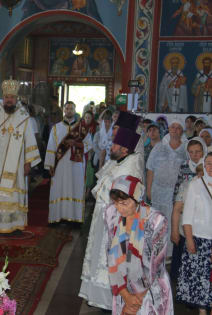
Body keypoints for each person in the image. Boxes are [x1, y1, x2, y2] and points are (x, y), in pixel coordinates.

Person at [79, 112, 144, 311]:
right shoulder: (119, 161)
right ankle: (103, 300)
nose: (111, 147)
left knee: (111, 261)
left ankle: (111, 302)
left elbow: (123, 199)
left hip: (116, 225)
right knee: (100, 258)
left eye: (115, 145)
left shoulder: (130, 167)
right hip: (103, 220)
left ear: (124, 149)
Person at [0, 78, 40, 234]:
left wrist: (28, 162)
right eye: (7, 97)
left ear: (16, 99)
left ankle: (15, 224)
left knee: (13, 193)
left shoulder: (23, 116)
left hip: (16, 164)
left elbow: (29, 139)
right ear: (3, 98)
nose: (9, 100)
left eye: (12, 97)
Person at [105, 175, 173, 315]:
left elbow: (156, 265)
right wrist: (125, 295)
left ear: (137, 198)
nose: (119, 208)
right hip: (122, 285)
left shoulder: (156, 220)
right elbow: (111, 254)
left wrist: (134, 303)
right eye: (116, 202)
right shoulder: (111, 213)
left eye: (124, 203)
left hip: (150, 290)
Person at [177, 153, 212, 315]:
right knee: (201, 282)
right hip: (200, 241)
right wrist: (189, 240)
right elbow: (187, 216)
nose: (210, 167)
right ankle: (202, 312)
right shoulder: (195, 185)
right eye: (207, 163)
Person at [45, 103, 92, 223]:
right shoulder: (56, 128)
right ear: (64, 111)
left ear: (75, 110)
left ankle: (75, 219)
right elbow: (51, 147)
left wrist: (76, 144)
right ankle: (57, 217)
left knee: (75, 188)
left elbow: (89, 145)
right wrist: (50, 164)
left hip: (76, 164)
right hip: (60, 165)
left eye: (71, 109)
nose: (69, 111)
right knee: (59, 188)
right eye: (67, 108)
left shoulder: (82, 128)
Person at [146, 119, 186, 259]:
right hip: (157, 191)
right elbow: (150, 168)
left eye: (178, 127)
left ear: (182, 131)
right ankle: (155, 251)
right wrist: (149, 189)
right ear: (169, 129)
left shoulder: (185, 149)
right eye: (173, 127)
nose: (175, 129)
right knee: (157, 222)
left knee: (172, 222)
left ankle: (168, 254)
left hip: (175, 194)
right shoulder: (159, 147)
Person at [170, 137, 207, 280]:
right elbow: (178, 186)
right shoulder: (184, 166)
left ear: (203, 151)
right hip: (185, 213)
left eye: (198, 151)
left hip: (202, 219)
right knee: (182, 248)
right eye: (191, 152)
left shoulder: (208, 166)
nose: (195, 155)